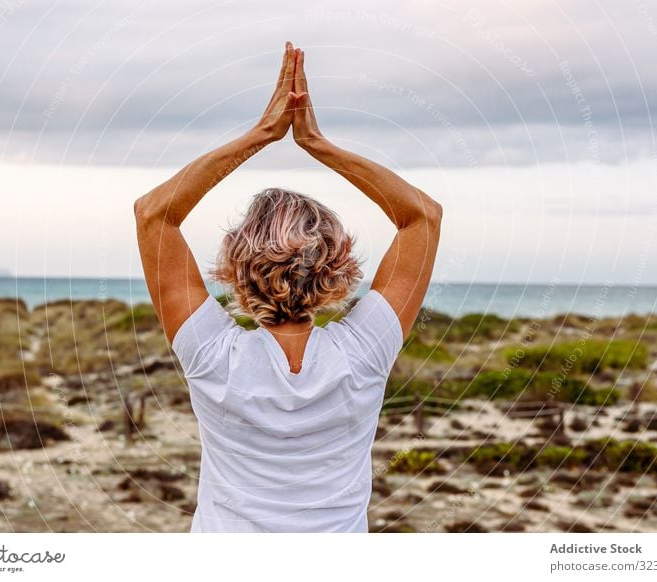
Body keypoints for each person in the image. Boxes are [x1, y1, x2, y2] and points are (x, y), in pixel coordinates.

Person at [134, 41, 442, 532]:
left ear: (235, 270)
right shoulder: (365, 349)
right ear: (336, 267)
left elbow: (154, 215)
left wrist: (262, 134)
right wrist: (317, 142)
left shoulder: (211, 351)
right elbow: (421, 218)